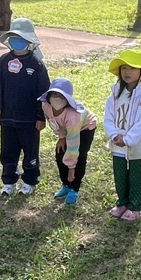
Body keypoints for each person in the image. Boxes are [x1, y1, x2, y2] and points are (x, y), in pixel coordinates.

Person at [0, 18, 50, 197]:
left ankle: (30, 181)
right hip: (7, 118)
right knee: (8, 152)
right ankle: (9, 182)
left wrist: (41, 117)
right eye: (14, 36)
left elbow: (44, 92)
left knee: (30, 152)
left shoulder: (37, 64)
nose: (17, 40)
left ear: (30, 40)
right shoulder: (3, 61)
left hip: (30, 121)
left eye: (21, 37)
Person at [103, 49, 141, 222]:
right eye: (124, 67)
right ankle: (122, 202)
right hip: (117, 143)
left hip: (137, 144)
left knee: (137, 174)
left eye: (133, 68)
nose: (127, 72)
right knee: (120, 173)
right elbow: (108, 117)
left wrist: (128, 139)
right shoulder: (115, 94)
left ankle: (135, 206)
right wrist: (114, 135)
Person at [40, 78, 97, 206]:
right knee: (60, 153)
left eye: (61, 96)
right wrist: (61, 136)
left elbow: (73, 146)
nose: (57, 98)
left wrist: (71, 169)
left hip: (84, 128)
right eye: (54, 94)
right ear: (49, 96)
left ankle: (74, 189)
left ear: (67, 99)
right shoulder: (46, 106)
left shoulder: (72, 116)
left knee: (80, 156)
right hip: (67, 130)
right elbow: (53, 122)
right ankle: (65, 184)